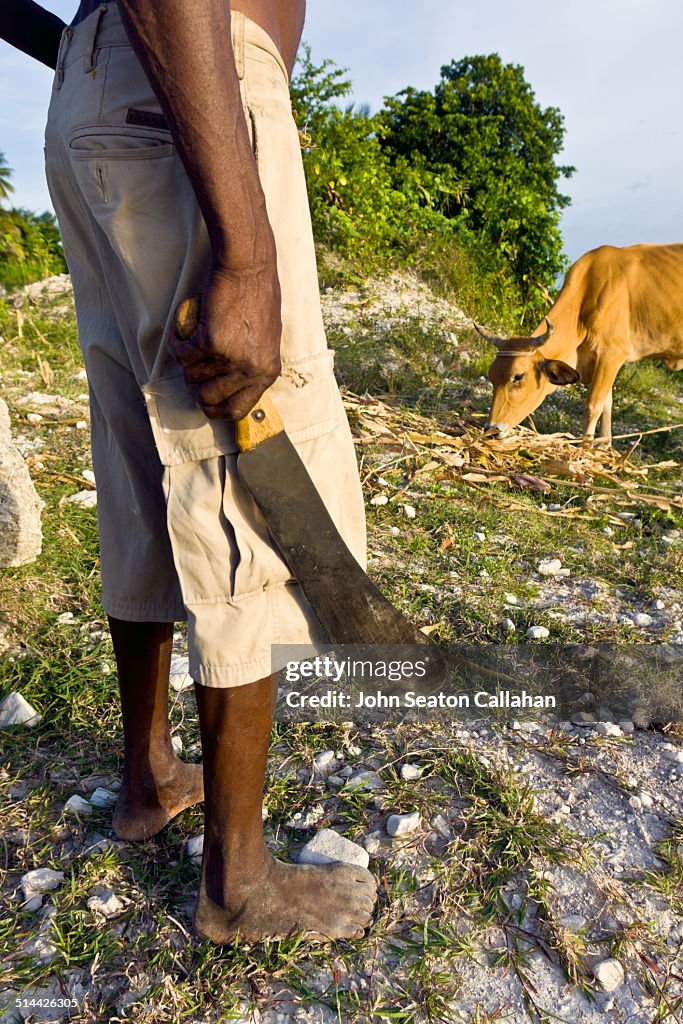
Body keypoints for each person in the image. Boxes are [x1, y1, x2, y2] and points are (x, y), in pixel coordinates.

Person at [1, 0, 377, 942]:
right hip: (193, 83)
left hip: (105, 86)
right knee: (244, 443)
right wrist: (246, 256)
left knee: (137, 444)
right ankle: (237, 883)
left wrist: (92, 56)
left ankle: (149, 779)